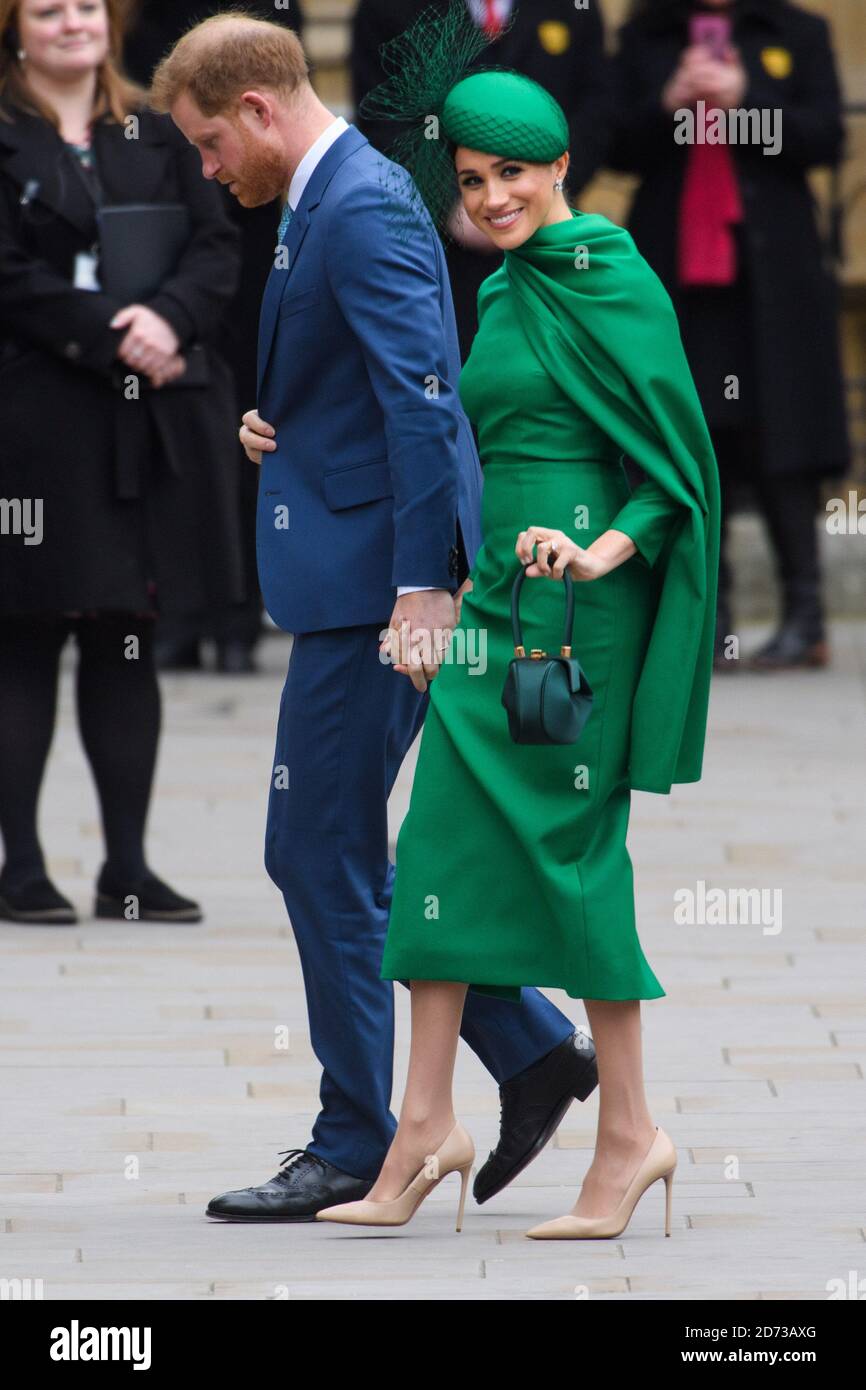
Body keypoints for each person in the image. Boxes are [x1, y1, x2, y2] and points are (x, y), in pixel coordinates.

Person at [149, 11, 600, 1224]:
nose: (206, 170)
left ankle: (359, 1136)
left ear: (254, 109)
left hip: (375, 598)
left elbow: (425, 400)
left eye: (204, 144)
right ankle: (528, 1043)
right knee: (337, 849)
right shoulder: (330, 192)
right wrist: (279, 431)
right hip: (348, 572)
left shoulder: (355, 204)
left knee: (317, 851)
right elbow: (368, 385)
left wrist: (422, 586)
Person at [315, 13, 719, 1240]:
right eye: (472, 178)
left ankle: (631, 1134)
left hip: (580, 613)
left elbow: (676, 467)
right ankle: (424, 1125)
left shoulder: (605, 265)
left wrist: (599, 545)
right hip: (493, 605)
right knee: (435, 847)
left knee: (571, 864)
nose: (489, 197)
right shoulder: (497, 287)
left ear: (555, 168)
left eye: (510, 175)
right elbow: (447, 434)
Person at [0, 0, 244, 925]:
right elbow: (8, 274)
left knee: (123, 629)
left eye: (88, 7)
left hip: (147, 420)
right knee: (24, 630)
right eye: (49, 9)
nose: (73, 23)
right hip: (34, 416)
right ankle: (19, 865)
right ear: (14, 27)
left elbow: (217, 242)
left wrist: (169, 318)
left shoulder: (155, 124)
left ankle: (128, 869)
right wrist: (110, 335)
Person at [608, 0, 849, 671]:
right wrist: (669, 102)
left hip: (770, 275)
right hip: (679, 274)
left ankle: (806, 619)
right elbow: (613, 145)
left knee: (784, 438)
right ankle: (706, 622)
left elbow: (824, 137)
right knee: (692, 439)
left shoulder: (798, 32)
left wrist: (748, 103)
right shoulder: (646, 34)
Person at [123, 0, 308, 674]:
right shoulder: (148, 24)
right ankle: (182, 610)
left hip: (257, 241)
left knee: (259, 421)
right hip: (172, 248)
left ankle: (238, 611)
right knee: (186, 438)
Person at [352, 0, 611, 359]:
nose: (496, 198)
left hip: (549, 246)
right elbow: (380, 114)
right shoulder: (388, 9)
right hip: (436, 251)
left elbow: (597, 106)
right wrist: (449, 202)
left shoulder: (572, 7)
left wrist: (544, 192)